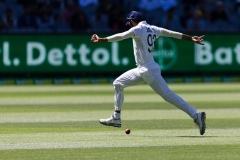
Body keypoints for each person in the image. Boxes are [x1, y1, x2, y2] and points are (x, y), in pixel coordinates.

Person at [91, 11, 206, 135]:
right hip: (143, 69)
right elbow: (171, 33)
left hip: (148, 70)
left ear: (132, 21)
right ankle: (116, 117)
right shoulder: (152, 28)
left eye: (130, 21)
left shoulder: (138, 29)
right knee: (118, 83)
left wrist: (103, 40)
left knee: (168, 95)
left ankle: (195, 115)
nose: (129, 24)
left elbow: (122, 35)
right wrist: (190, 38)